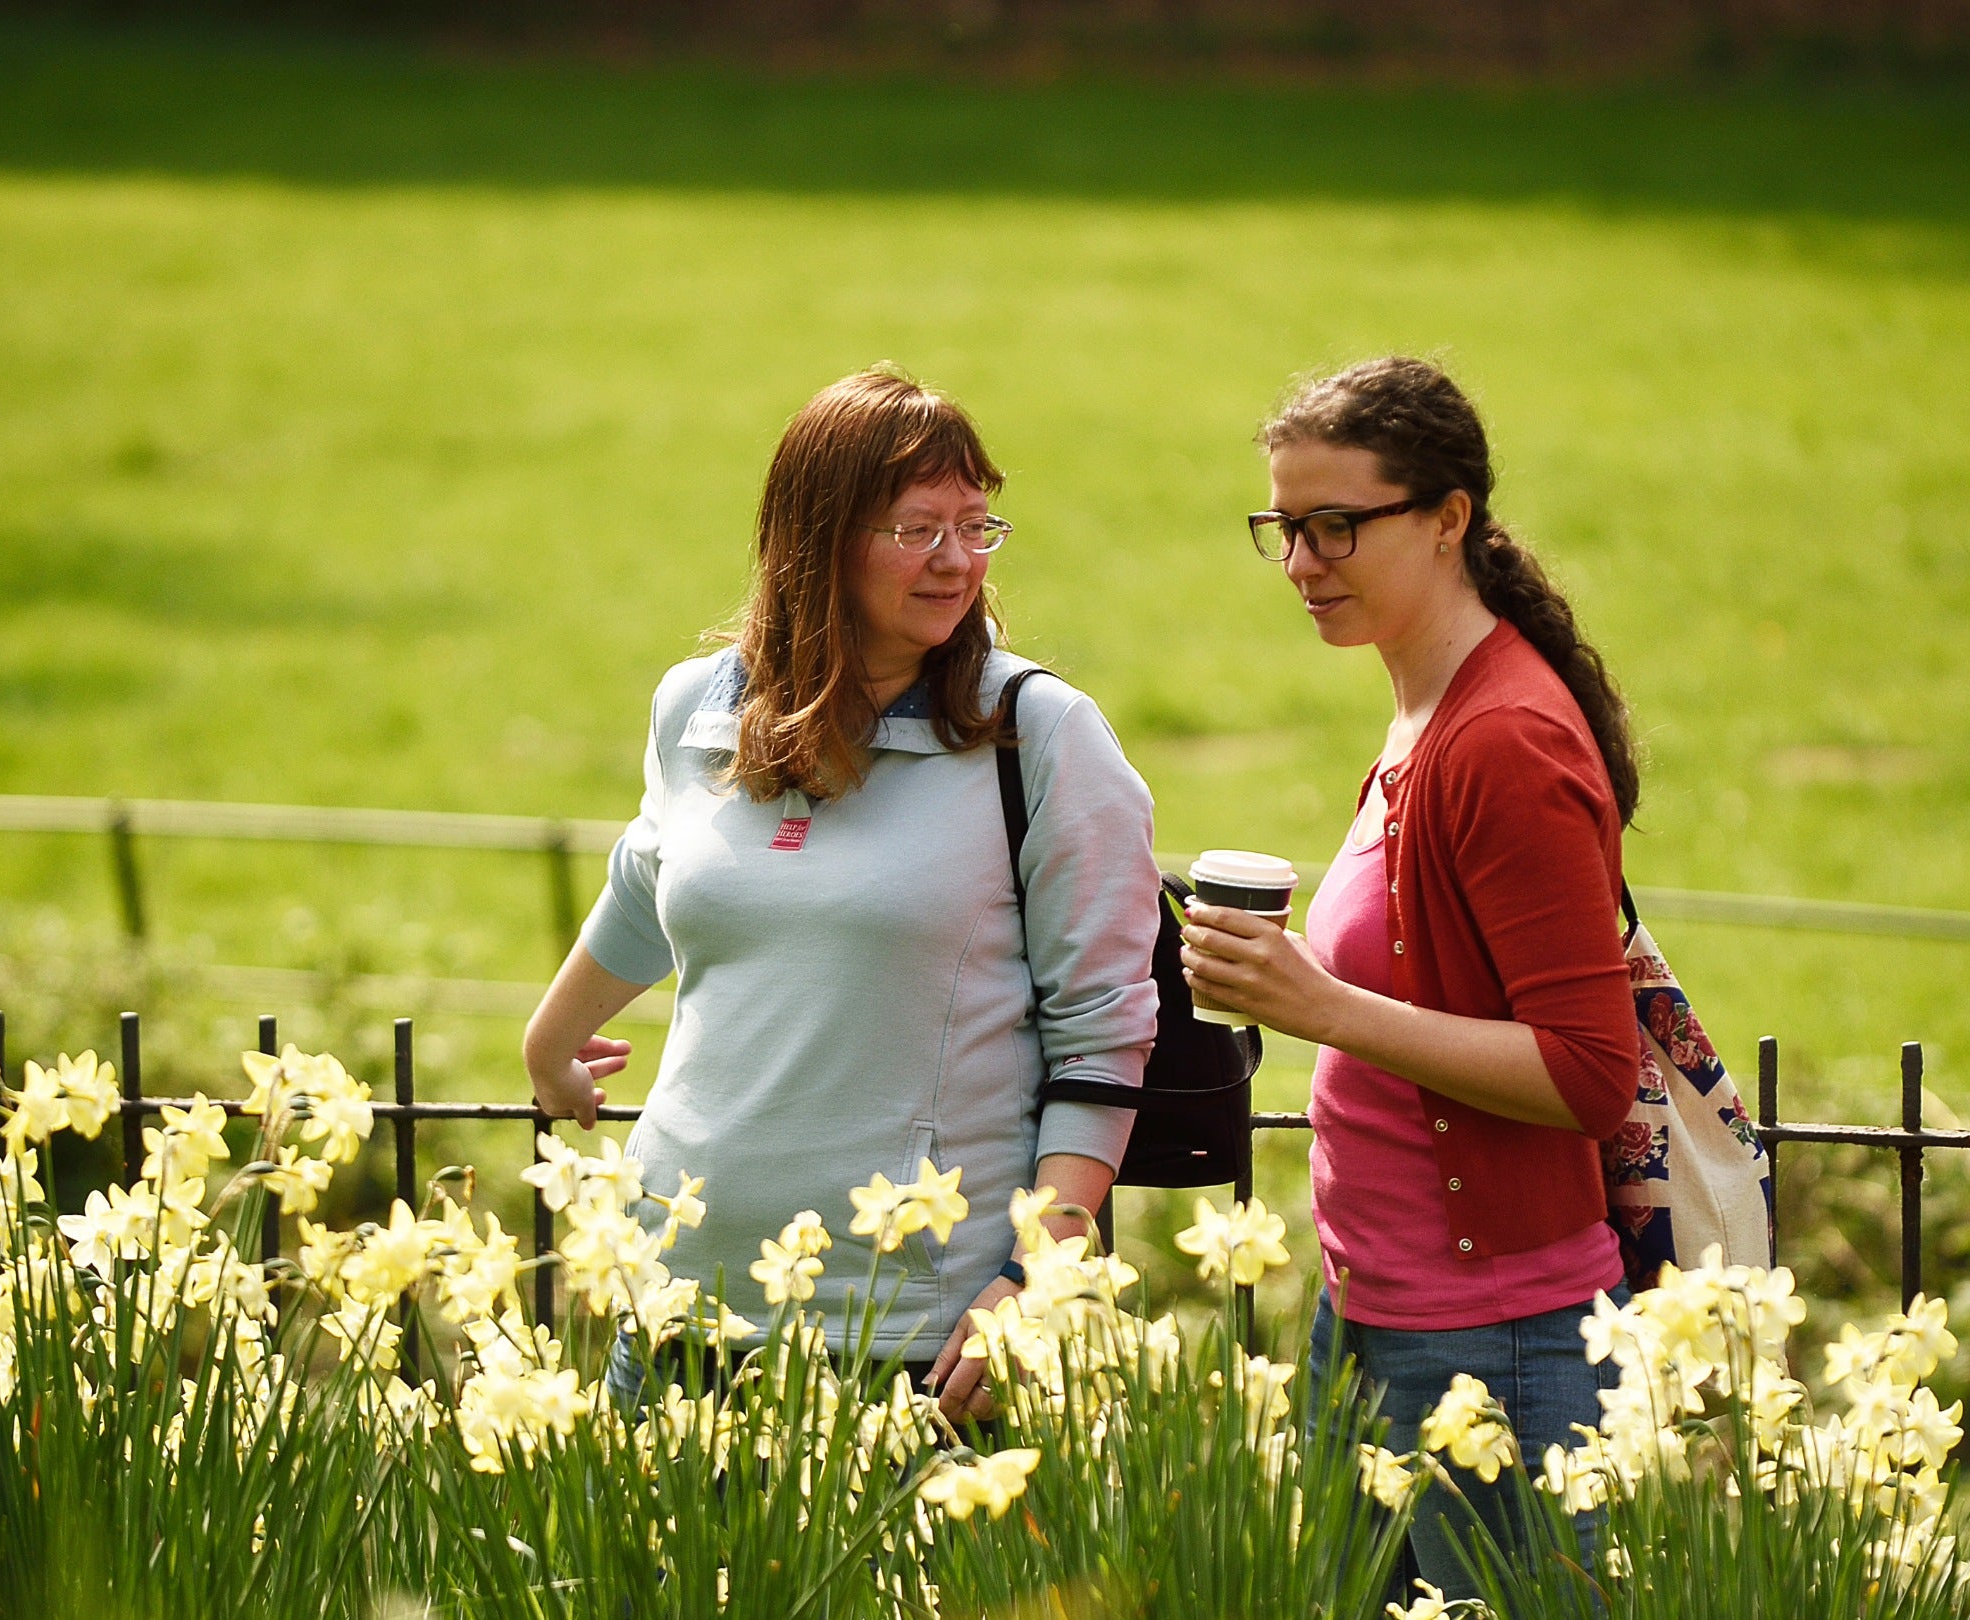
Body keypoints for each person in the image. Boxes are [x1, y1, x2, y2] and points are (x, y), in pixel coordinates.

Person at [520, 366, 1161, 1421]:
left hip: (910, 1332)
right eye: (917, 530)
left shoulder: (1040, 736)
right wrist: (550, 1041)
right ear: (818, 540)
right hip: (674, 1299)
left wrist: (1034, 1283)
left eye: (975, 525)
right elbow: (652, 881)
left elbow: (1102, 1032)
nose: (956, 560)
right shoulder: (698, 706)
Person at [1178, 356, 1643, 1599]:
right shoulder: (1427, 716)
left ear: (1449, 518)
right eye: (1282, 527)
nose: (1302, 561)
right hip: (1383, 1317)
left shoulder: (1502, 741)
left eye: (1338, 525)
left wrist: (1317, 1008)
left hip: (1495, 1340)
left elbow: (1591, 1073)